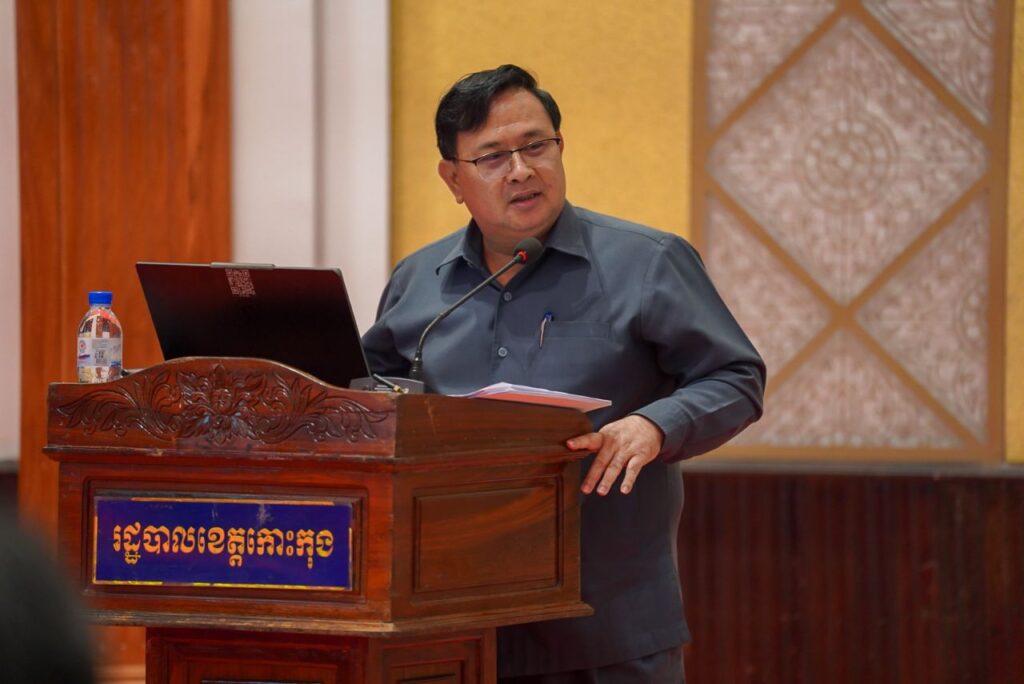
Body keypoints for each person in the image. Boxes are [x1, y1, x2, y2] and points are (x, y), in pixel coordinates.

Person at [362, 64, 766, 683]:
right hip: (452, 623)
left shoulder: (647, 262)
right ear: (453, 179)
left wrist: (654, 426)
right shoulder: (419, 282)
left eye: (535, 145)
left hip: (607, 626)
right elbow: (370, 400)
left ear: (560, 147)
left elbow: (736, 377)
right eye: (492, 157)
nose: (521, 170)